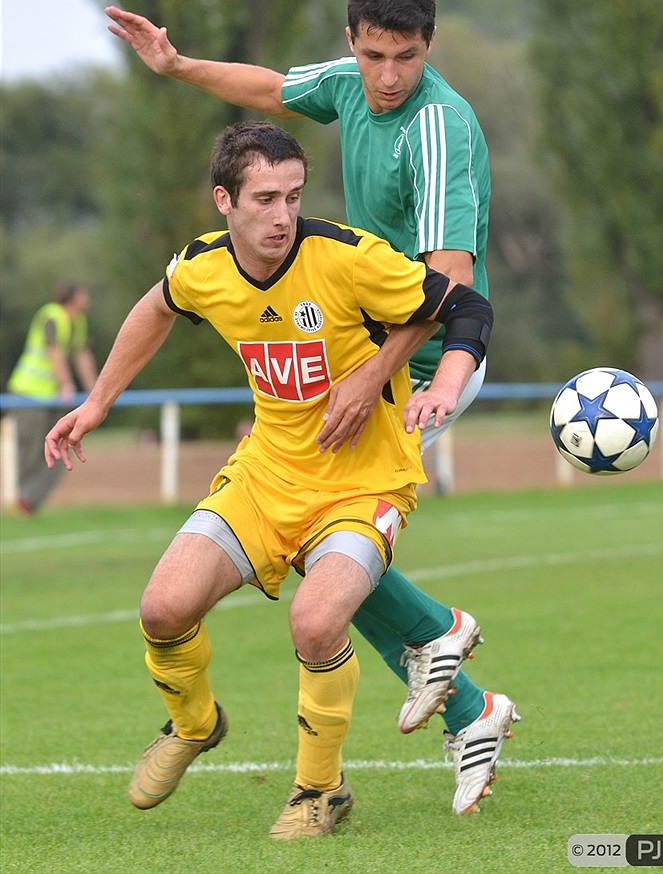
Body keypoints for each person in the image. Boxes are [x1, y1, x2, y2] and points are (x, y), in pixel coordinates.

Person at [105, 0, 519, 815]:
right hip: (360, 350)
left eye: (406, 57)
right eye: (374, 56)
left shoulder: (437, 125)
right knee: (316, 535)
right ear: (353, 45)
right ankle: (470, 706)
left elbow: (451, 282)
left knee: (325, 531)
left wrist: (383, 376)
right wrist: (178, 66)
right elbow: (271, 87)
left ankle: (444, 650)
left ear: (428, 49)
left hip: (423, 352)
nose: (389, 76)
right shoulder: (351, 86)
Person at [44, 121, 494, 839]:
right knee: (162, 608)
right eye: (263, 199)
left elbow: (465, 305)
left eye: (292, 196)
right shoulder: (203, 267)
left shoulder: (347, 257)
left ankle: (320, 790)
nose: (282, 215)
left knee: (316, 622)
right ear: (225, 200)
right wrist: (96, 402)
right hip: (265, 475)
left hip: (362, 482)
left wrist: (426, 381)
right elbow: (155, 307)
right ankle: (194, 725)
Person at [6, 283, 97, 514]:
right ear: (73, 297)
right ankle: (22, 501)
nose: (88, 298)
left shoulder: (78, 322)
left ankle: (28, 503)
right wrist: (67, 384)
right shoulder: (51, 315)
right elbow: (53, 351)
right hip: (29, 393)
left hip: (55, 397)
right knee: (30, 450)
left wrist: (98, 392)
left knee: (63, 447)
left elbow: (81, 355)